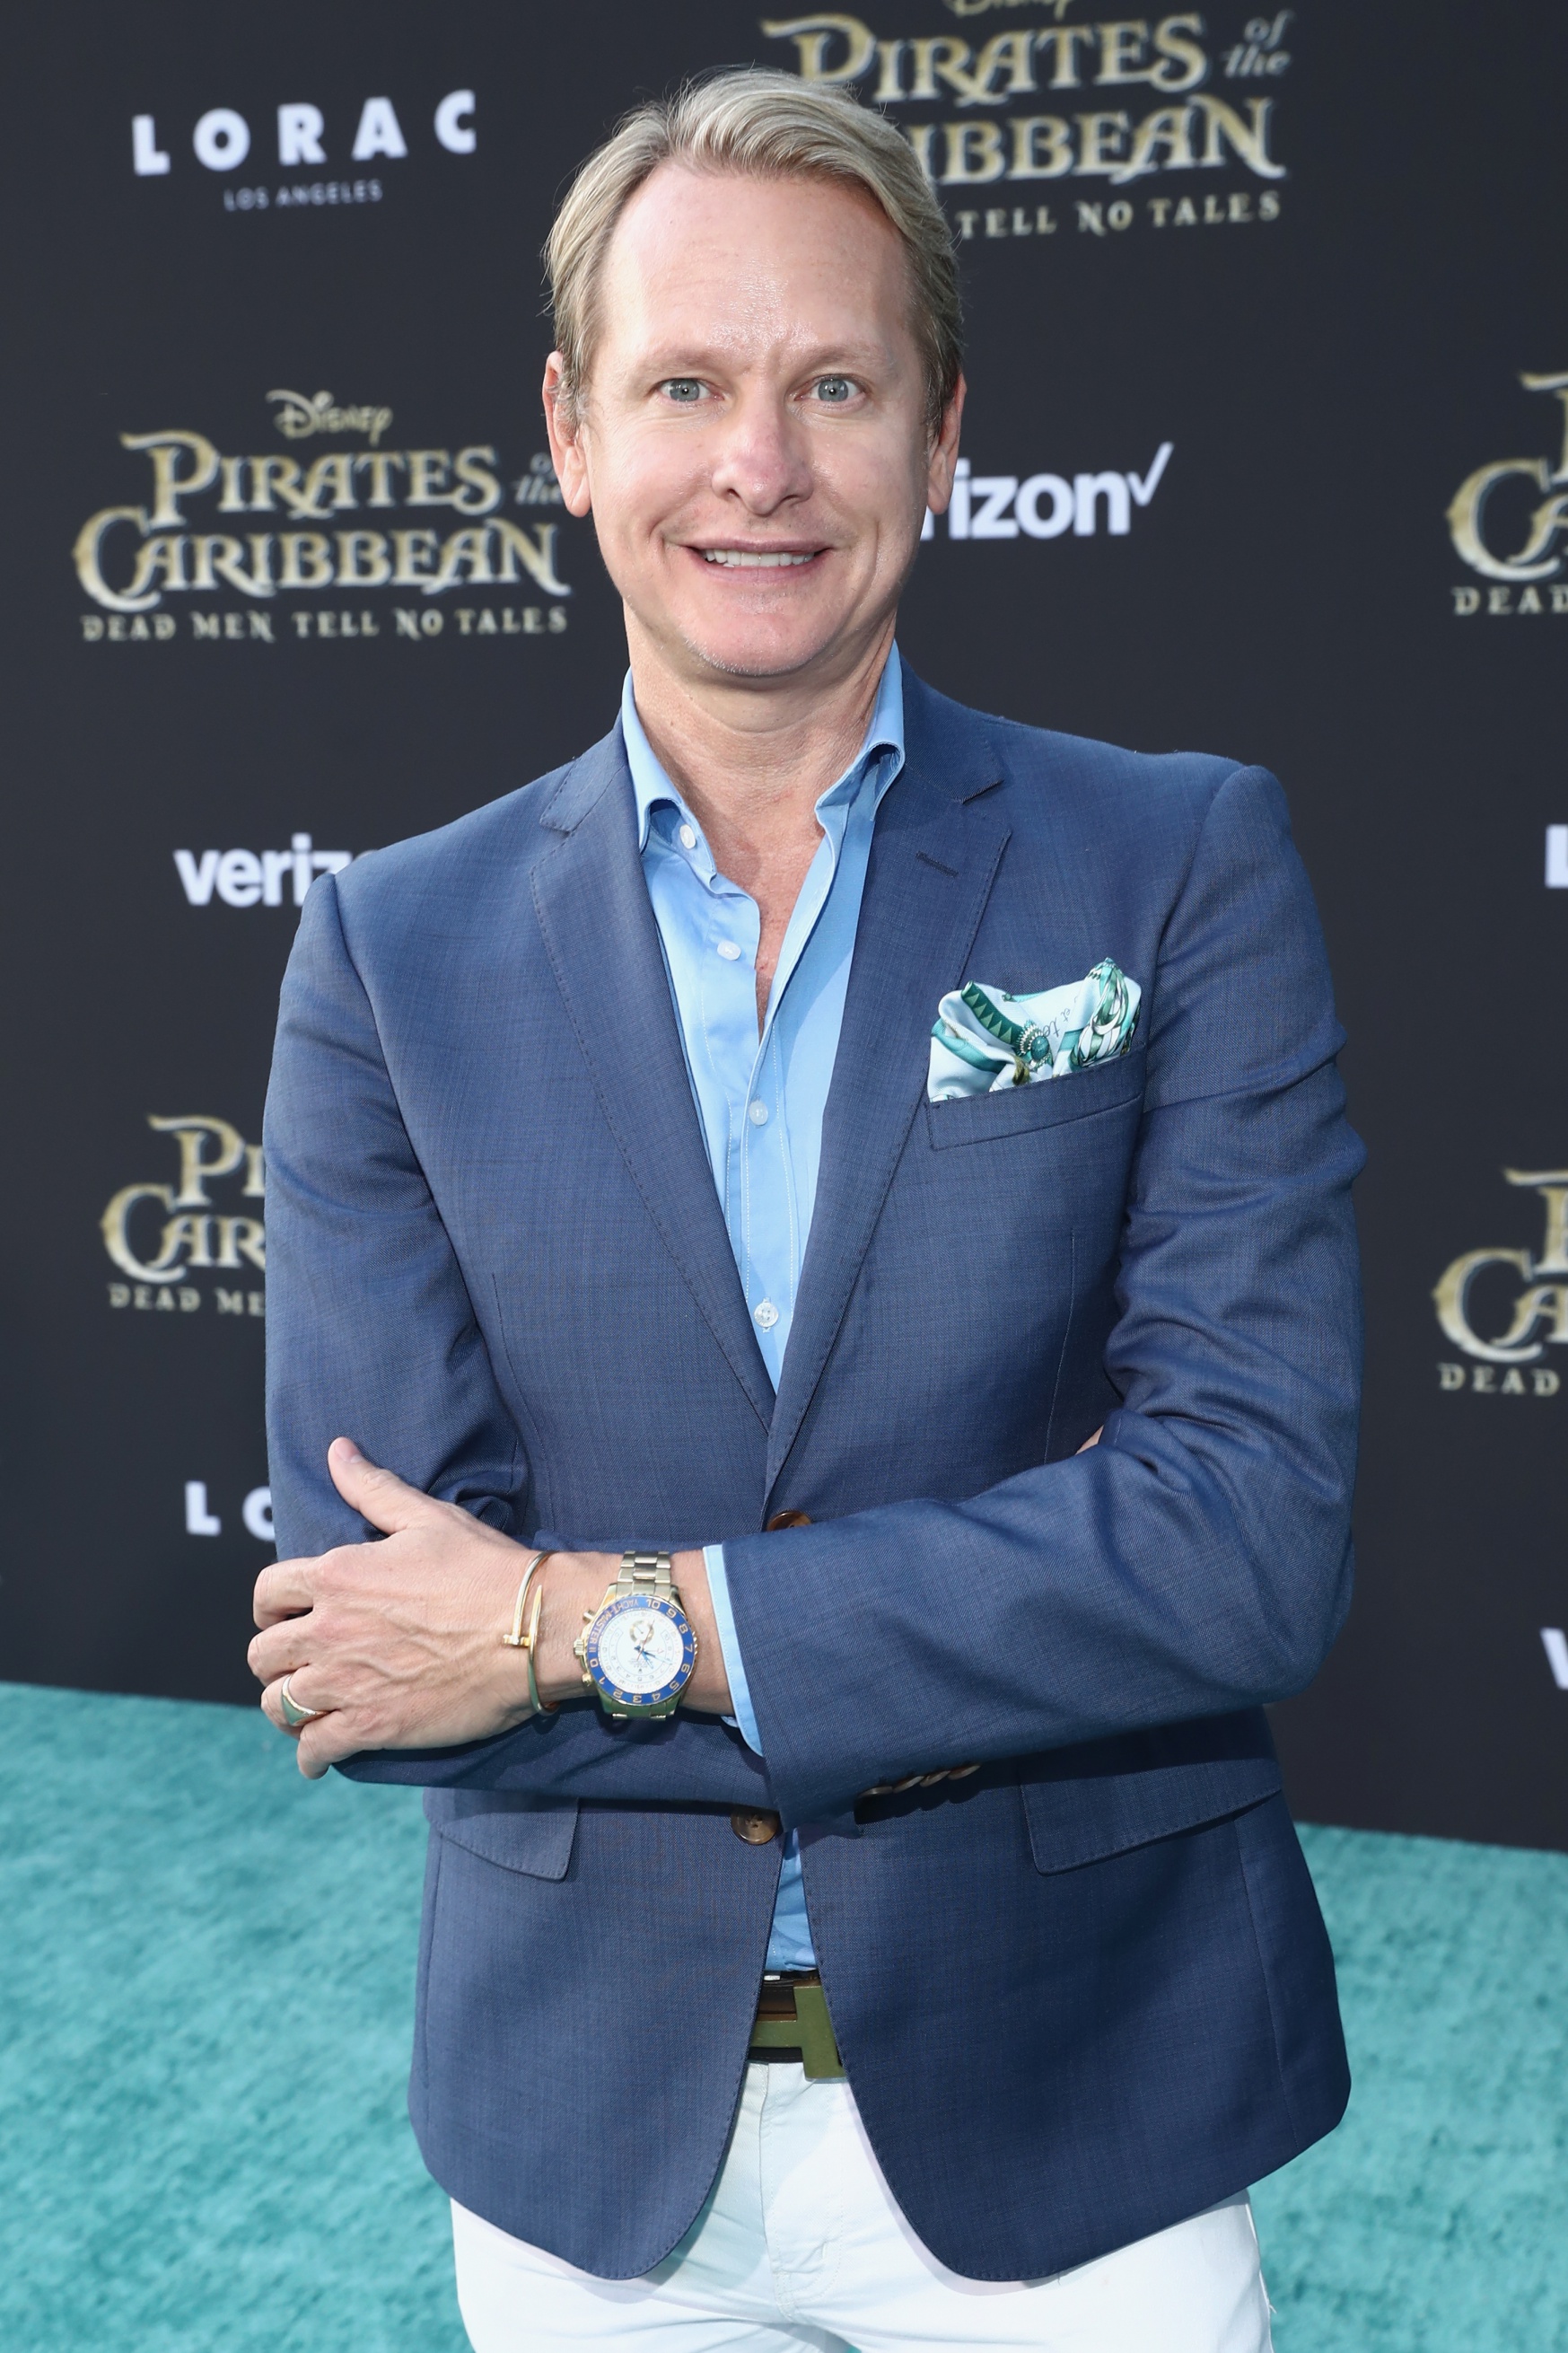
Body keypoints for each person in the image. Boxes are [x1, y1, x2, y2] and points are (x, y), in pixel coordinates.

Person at [252, 68, 1363, 2353]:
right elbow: (379, 1651)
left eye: (832, 388)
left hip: (1086, 2100)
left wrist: (575, 1616)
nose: (757, 464)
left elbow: (1244, 1545)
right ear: (570, 432)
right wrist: (1013, 1595)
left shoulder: (1175, 863)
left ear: (942, 437)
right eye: (684, 385)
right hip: (590, 2148)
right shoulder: (389, 950)